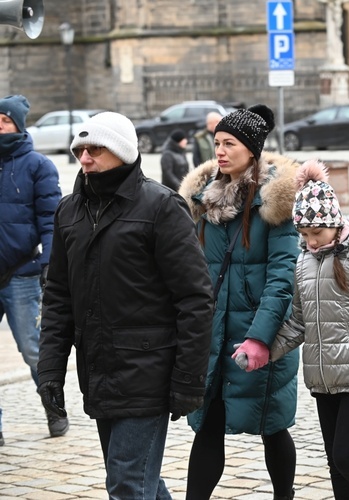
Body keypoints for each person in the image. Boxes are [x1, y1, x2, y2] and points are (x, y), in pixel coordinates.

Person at [37, 111, 214, 498]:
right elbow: (58, 297)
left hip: (149, 372)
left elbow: (196, 299)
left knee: (128, 485)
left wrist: (188, 379)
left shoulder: (161, 207)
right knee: (139, 481)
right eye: (80, 149)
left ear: (122, 151)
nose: (84, 157)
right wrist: (49, 368)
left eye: (95, 149)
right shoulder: (69, 211)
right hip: (99, 370)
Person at [178, 105, 300, 500]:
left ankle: (285, 496)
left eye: (230, 143)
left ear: (252, 149)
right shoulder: (204, 202)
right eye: (217, 143)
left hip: (258, 336)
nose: (221, 151)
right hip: (213, 337)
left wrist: (261, 338)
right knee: (208, 424)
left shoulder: (274, 204)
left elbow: (283, 279)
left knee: (271, 424)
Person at [269, 160, 349, 500]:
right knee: (335, 463)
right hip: (323, 379)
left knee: (347, 456)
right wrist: (267, 350)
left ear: (334, 223)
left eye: (317, 233)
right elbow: (299, 321)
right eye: (304, 235)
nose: (311, 242)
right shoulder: (304, 262)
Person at [0, 94, 66, 442]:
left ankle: (54, 408)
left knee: (32, 348)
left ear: (19, 125)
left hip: (22, 273)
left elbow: (51, 220)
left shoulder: (38, 165)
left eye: (5, 120)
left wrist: (49, 264)